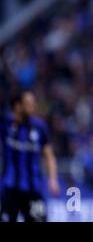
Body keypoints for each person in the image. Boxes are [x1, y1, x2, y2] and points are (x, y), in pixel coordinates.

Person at [0, 91, 60, 222]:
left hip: (34, 190)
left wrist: (53, 179)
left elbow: (49, 155)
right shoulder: (5, 124)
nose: (33, 107)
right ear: (18, 106)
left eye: (34, 103)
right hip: (11, 189)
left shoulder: (40, 127)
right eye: (29, 104)